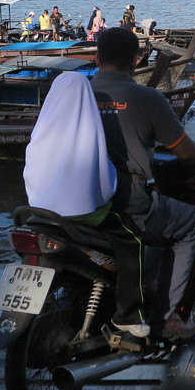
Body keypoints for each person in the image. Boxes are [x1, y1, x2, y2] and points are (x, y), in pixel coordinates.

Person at [90, 27, 195, 340]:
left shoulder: (79, 93)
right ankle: (170, 317)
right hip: (126, 199)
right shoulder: (147, 97)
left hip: (79, 197)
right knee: (190, 224)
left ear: (96, 58)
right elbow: (184, 149)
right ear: (137, 61)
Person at [22, 72, 150, 350]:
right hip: (82, 217)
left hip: (39, 213)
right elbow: (106, 185)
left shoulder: (40, 134)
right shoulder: (88, 133)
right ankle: (127, 315)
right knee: (133, 241)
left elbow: (29, 176)